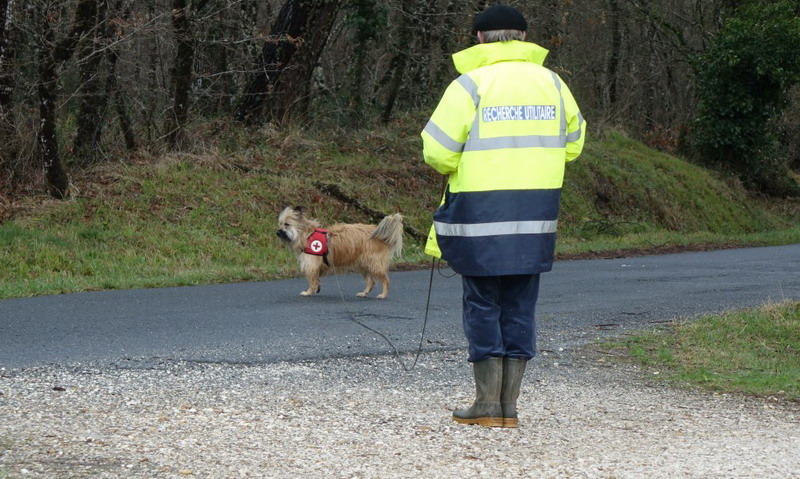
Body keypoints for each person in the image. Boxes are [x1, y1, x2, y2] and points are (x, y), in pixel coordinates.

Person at [421, 4, 585, 428]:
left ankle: (486, 404)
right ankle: (509, 407)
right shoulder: (553, 84)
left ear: (479, 38)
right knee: (520, 305)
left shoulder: (469, 85)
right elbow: (573, 145)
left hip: (480, 215)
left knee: (481, 304)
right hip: (535, 215)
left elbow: (438, 152)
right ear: (524, 37)